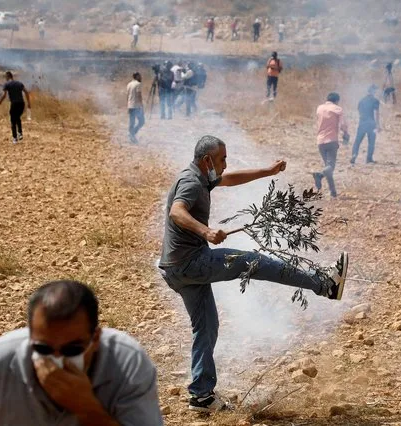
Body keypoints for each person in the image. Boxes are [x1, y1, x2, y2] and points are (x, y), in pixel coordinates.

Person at [158, 135, 349, 412]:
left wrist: (267, 172)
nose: (226, 164)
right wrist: (206, 231)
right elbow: (177, 212)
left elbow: (231, 178)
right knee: (254, 262)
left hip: (175, 269)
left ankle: (202, 397)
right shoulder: (190, 181)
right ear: (207, 160)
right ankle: (324, 285)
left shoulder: (200, 175)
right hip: (191, 263)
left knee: (206, 326)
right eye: (222, 159)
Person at [0, 280, 163, 426]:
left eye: (72, 349)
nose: (57, 359)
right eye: (43, 348)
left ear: (95, 339)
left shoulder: (127, 363)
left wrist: (86, 408)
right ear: (30, 337)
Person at [312, 93, 350, 198]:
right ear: (337, 100)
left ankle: (333, 192)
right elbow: (343, 125)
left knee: (328, 166)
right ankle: (319, 174)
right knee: (330, 167)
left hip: (320, 141)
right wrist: (346, 134)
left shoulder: (319, 108)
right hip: (331, 140)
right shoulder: (337, 109)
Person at [0, 71, 31, 144]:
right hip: (22, 104)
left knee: (13, 120)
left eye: (5, 77)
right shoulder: (19, 83)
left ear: (7, 77)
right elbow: (26, 92)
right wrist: (29, 103)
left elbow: (4, 95)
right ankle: (20, 133)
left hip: (14, 104)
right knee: (17, 117)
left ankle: (15, 138)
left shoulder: (7, 84)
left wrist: (0, 101)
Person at [351, 85, 380, 165]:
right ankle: (369, 159)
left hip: (362, 123)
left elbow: (359, 111)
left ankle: (354, 155)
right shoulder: (375, 101)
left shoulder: (361, 100)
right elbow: (376, 113)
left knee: (357, 141)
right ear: (374, 91)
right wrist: (378, 125)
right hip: (371, 124)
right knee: (371, 142)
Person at [126, 72, 144, 144]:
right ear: (137, 76)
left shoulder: (129, 84)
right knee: (142, 121)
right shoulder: (138, 84)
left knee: (132, 122)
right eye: (140, 76)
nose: (141, 78)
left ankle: (131, 135)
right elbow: (139, 95)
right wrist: (141, 105)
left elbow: (127, 96)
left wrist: (127, 104)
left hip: (130, 105)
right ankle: (132, 134)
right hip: (136, 106)